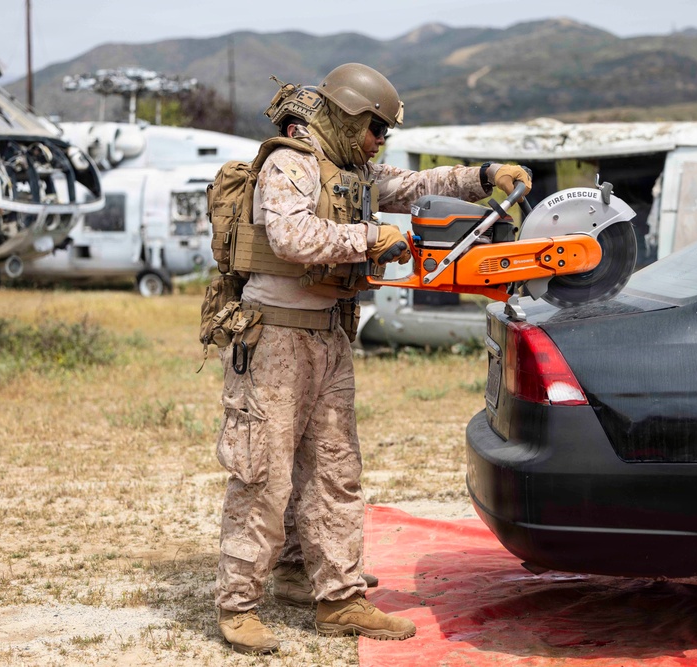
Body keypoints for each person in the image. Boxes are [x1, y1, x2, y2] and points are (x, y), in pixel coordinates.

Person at [215, 62, 531, 655]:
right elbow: (291, 238)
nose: (379, 142)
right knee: (263, 473)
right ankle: (238, 604)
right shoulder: (291, 162)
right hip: (275, 338)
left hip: (327, 335)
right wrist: (369, 239)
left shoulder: (349, 167)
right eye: (375, 130)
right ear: (350, 117)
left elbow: (413, 186)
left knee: (334, 467)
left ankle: (336, 596)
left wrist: (486, 174)